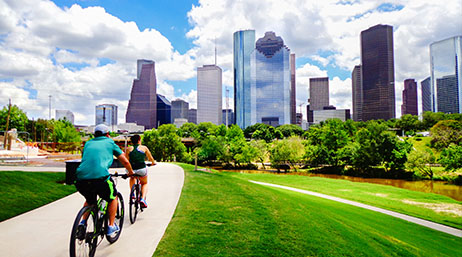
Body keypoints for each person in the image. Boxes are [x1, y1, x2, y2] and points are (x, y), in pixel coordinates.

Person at [75, 124, 134, 237]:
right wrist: (130, 172)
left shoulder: (88, 143)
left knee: (90, 199)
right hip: (100, 178)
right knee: (113, 197)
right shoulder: (110, 143)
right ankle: (111, 226)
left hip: (81, 179)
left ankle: (82, 223)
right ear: (107, 134)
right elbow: (125, 161)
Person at [125, 134, 156, 208]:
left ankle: (132, 193)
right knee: (144, 183)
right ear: (139, 140)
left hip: (131, 169)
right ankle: (142, 199)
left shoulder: (128, 149)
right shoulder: (144, 148)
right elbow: (150, 157)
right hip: (141, 169)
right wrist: (153, 163)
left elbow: (126, 160)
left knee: (132, 177)